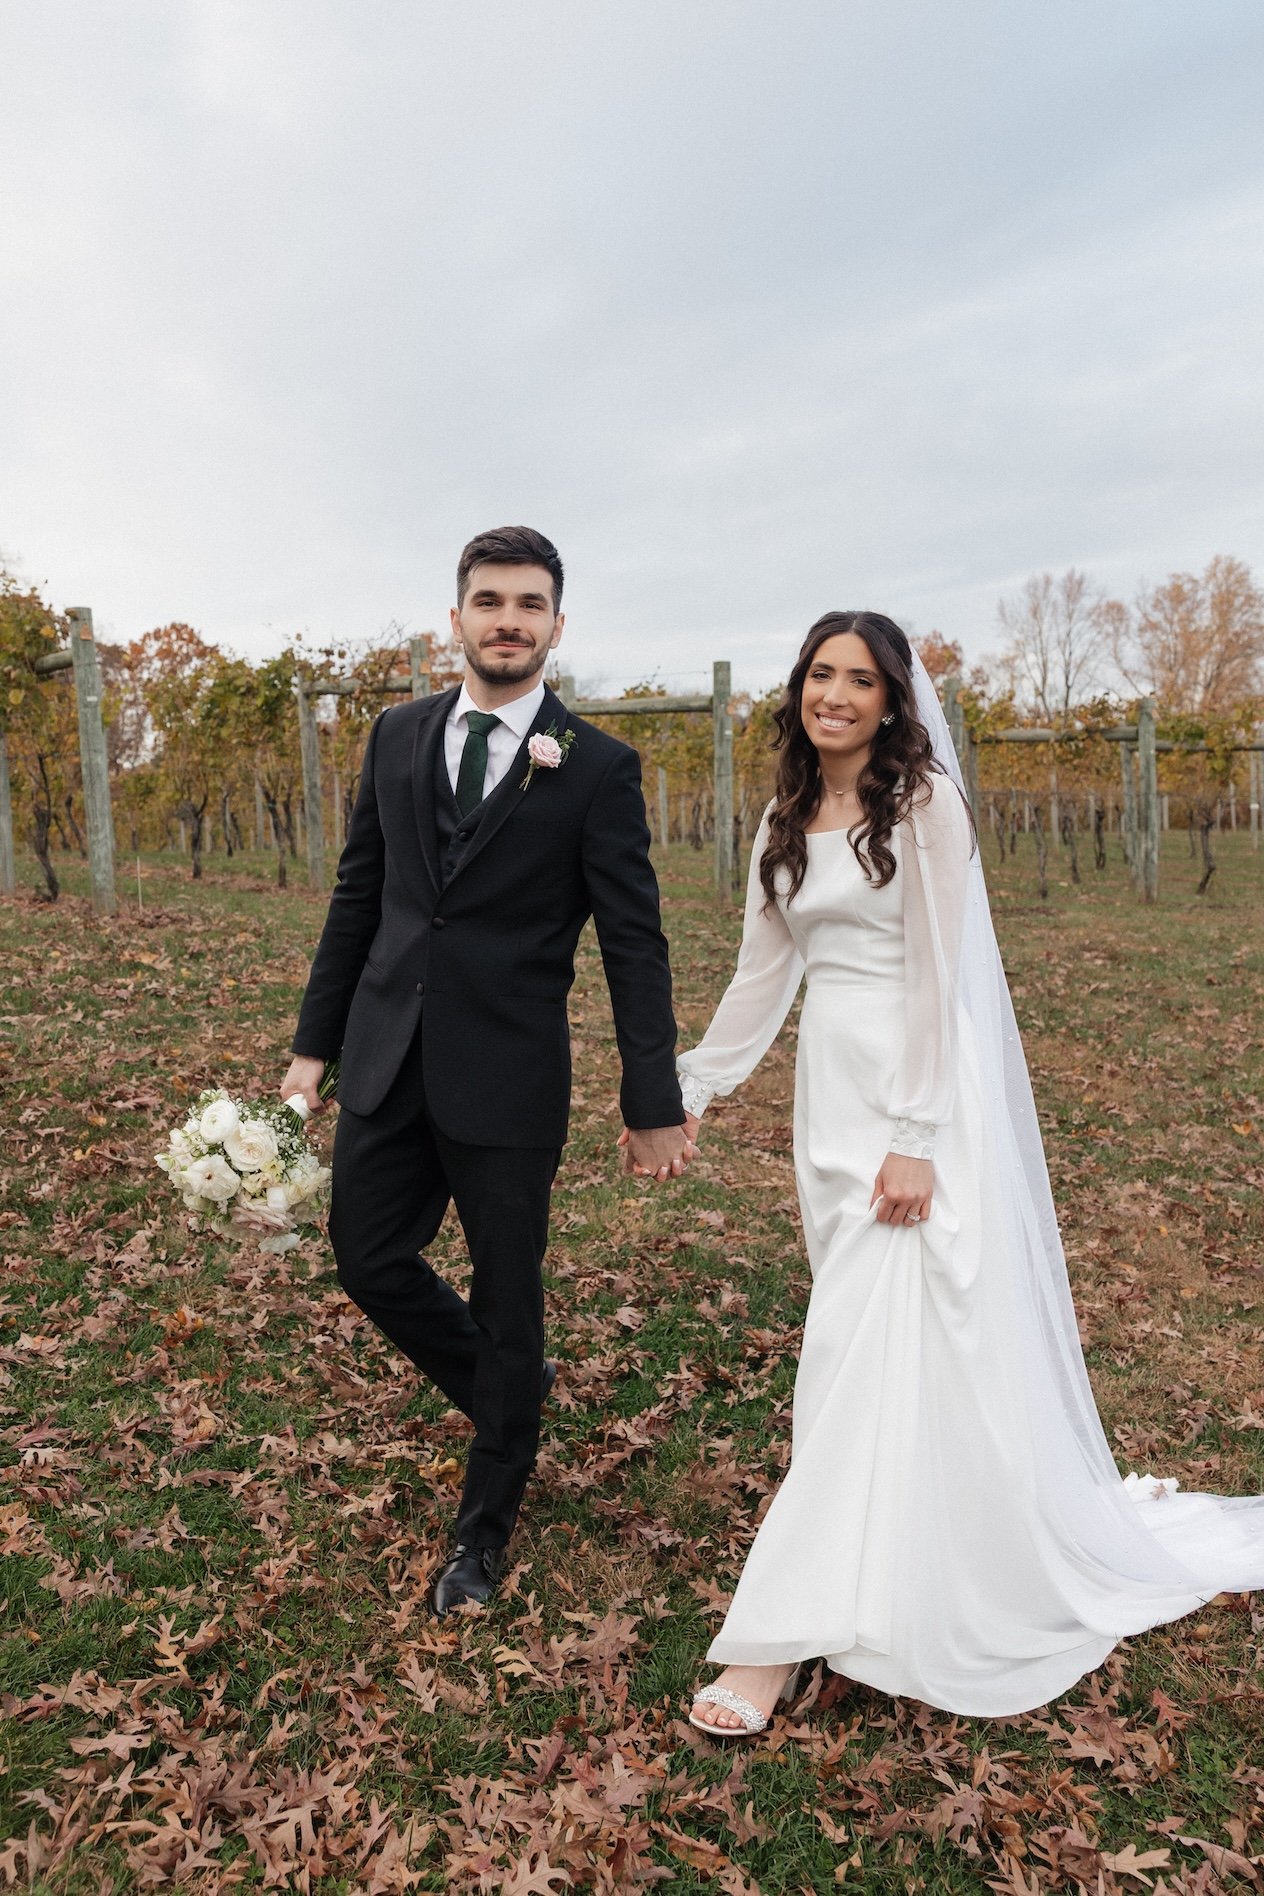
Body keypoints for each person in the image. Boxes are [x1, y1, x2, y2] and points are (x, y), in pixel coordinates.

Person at [681, 610, 1264, 1735]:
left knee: (854, 1351)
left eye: (860, 679)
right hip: (828, 1104)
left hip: (917, 1106)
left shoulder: (924, 805)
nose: (834, 695)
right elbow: (763, 974)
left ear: (894, 700)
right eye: (819, 674)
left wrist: (916, 1132)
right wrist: (692, 1088)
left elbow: (942, 980)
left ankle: (774, 1642)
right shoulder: (784, 814)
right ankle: (909, 1551)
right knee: (878, 1347)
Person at [281, 525, 692, 1615]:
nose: (508, 621)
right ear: (455, 618)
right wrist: (313, 1049)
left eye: (529, 604)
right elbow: (360, 897)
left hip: (507, 1076)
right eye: (490, 601)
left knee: (511, 1297)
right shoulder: (397, 735)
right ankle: (513, 1396)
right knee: (369, 1258)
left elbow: (634, 944)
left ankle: (482, 1530)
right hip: (386, 1055)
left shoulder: (595, 766)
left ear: (557, 625)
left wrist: (651, 1097)